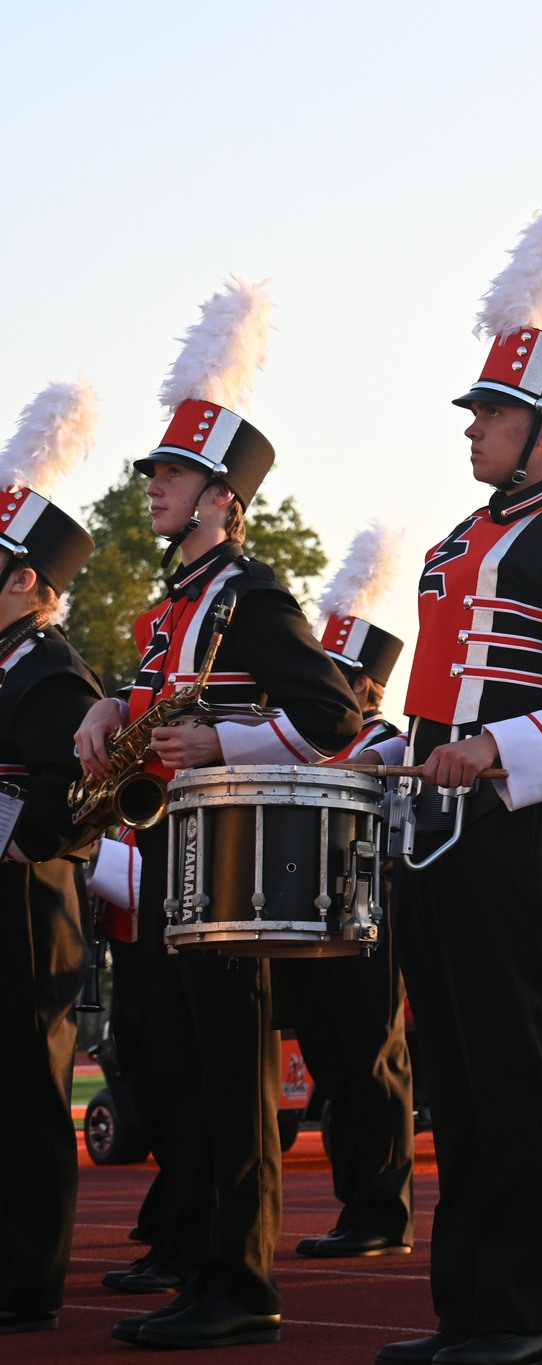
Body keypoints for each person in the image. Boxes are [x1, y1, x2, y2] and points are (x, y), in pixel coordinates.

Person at [376, 202, 542, 1365]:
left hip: (518, 835)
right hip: (434, 832)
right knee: (460, 1083)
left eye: (495, 412)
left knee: (516, 1074)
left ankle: (527, 1310)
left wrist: (493, 752)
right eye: (478, 408)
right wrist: (404, 746)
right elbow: (438, 694)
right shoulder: (452, 547)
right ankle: (467, 1312)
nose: (473, 429)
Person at [75, 280, 362, 1348]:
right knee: (189, 1075)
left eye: (177, 473)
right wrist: (112, 704)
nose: (154, 486)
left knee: (233, 1078)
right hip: (168, 863)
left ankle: (240, 1285)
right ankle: (201, 1261)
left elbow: (333, 716)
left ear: (222, 497)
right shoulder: (170, 610)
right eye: (156, 469)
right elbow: (157, 709)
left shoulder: (251, 599)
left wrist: (221, 743)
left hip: (233, 868)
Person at [280, 529, 418, 1261]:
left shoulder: (391, 741)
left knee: (371, 1058)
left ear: (368, 684)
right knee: (331, 1062)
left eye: (340, 674)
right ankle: (354, 1203)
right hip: (309, 912)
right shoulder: (306, 739)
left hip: (367, 909)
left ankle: (383, 1210)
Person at [0, 381, 105, 1335]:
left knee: (29, 1101)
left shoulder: (51, 670)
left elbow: (68, 806)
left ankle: (27, 1284)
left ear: (27, 579)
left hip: (29, 912)